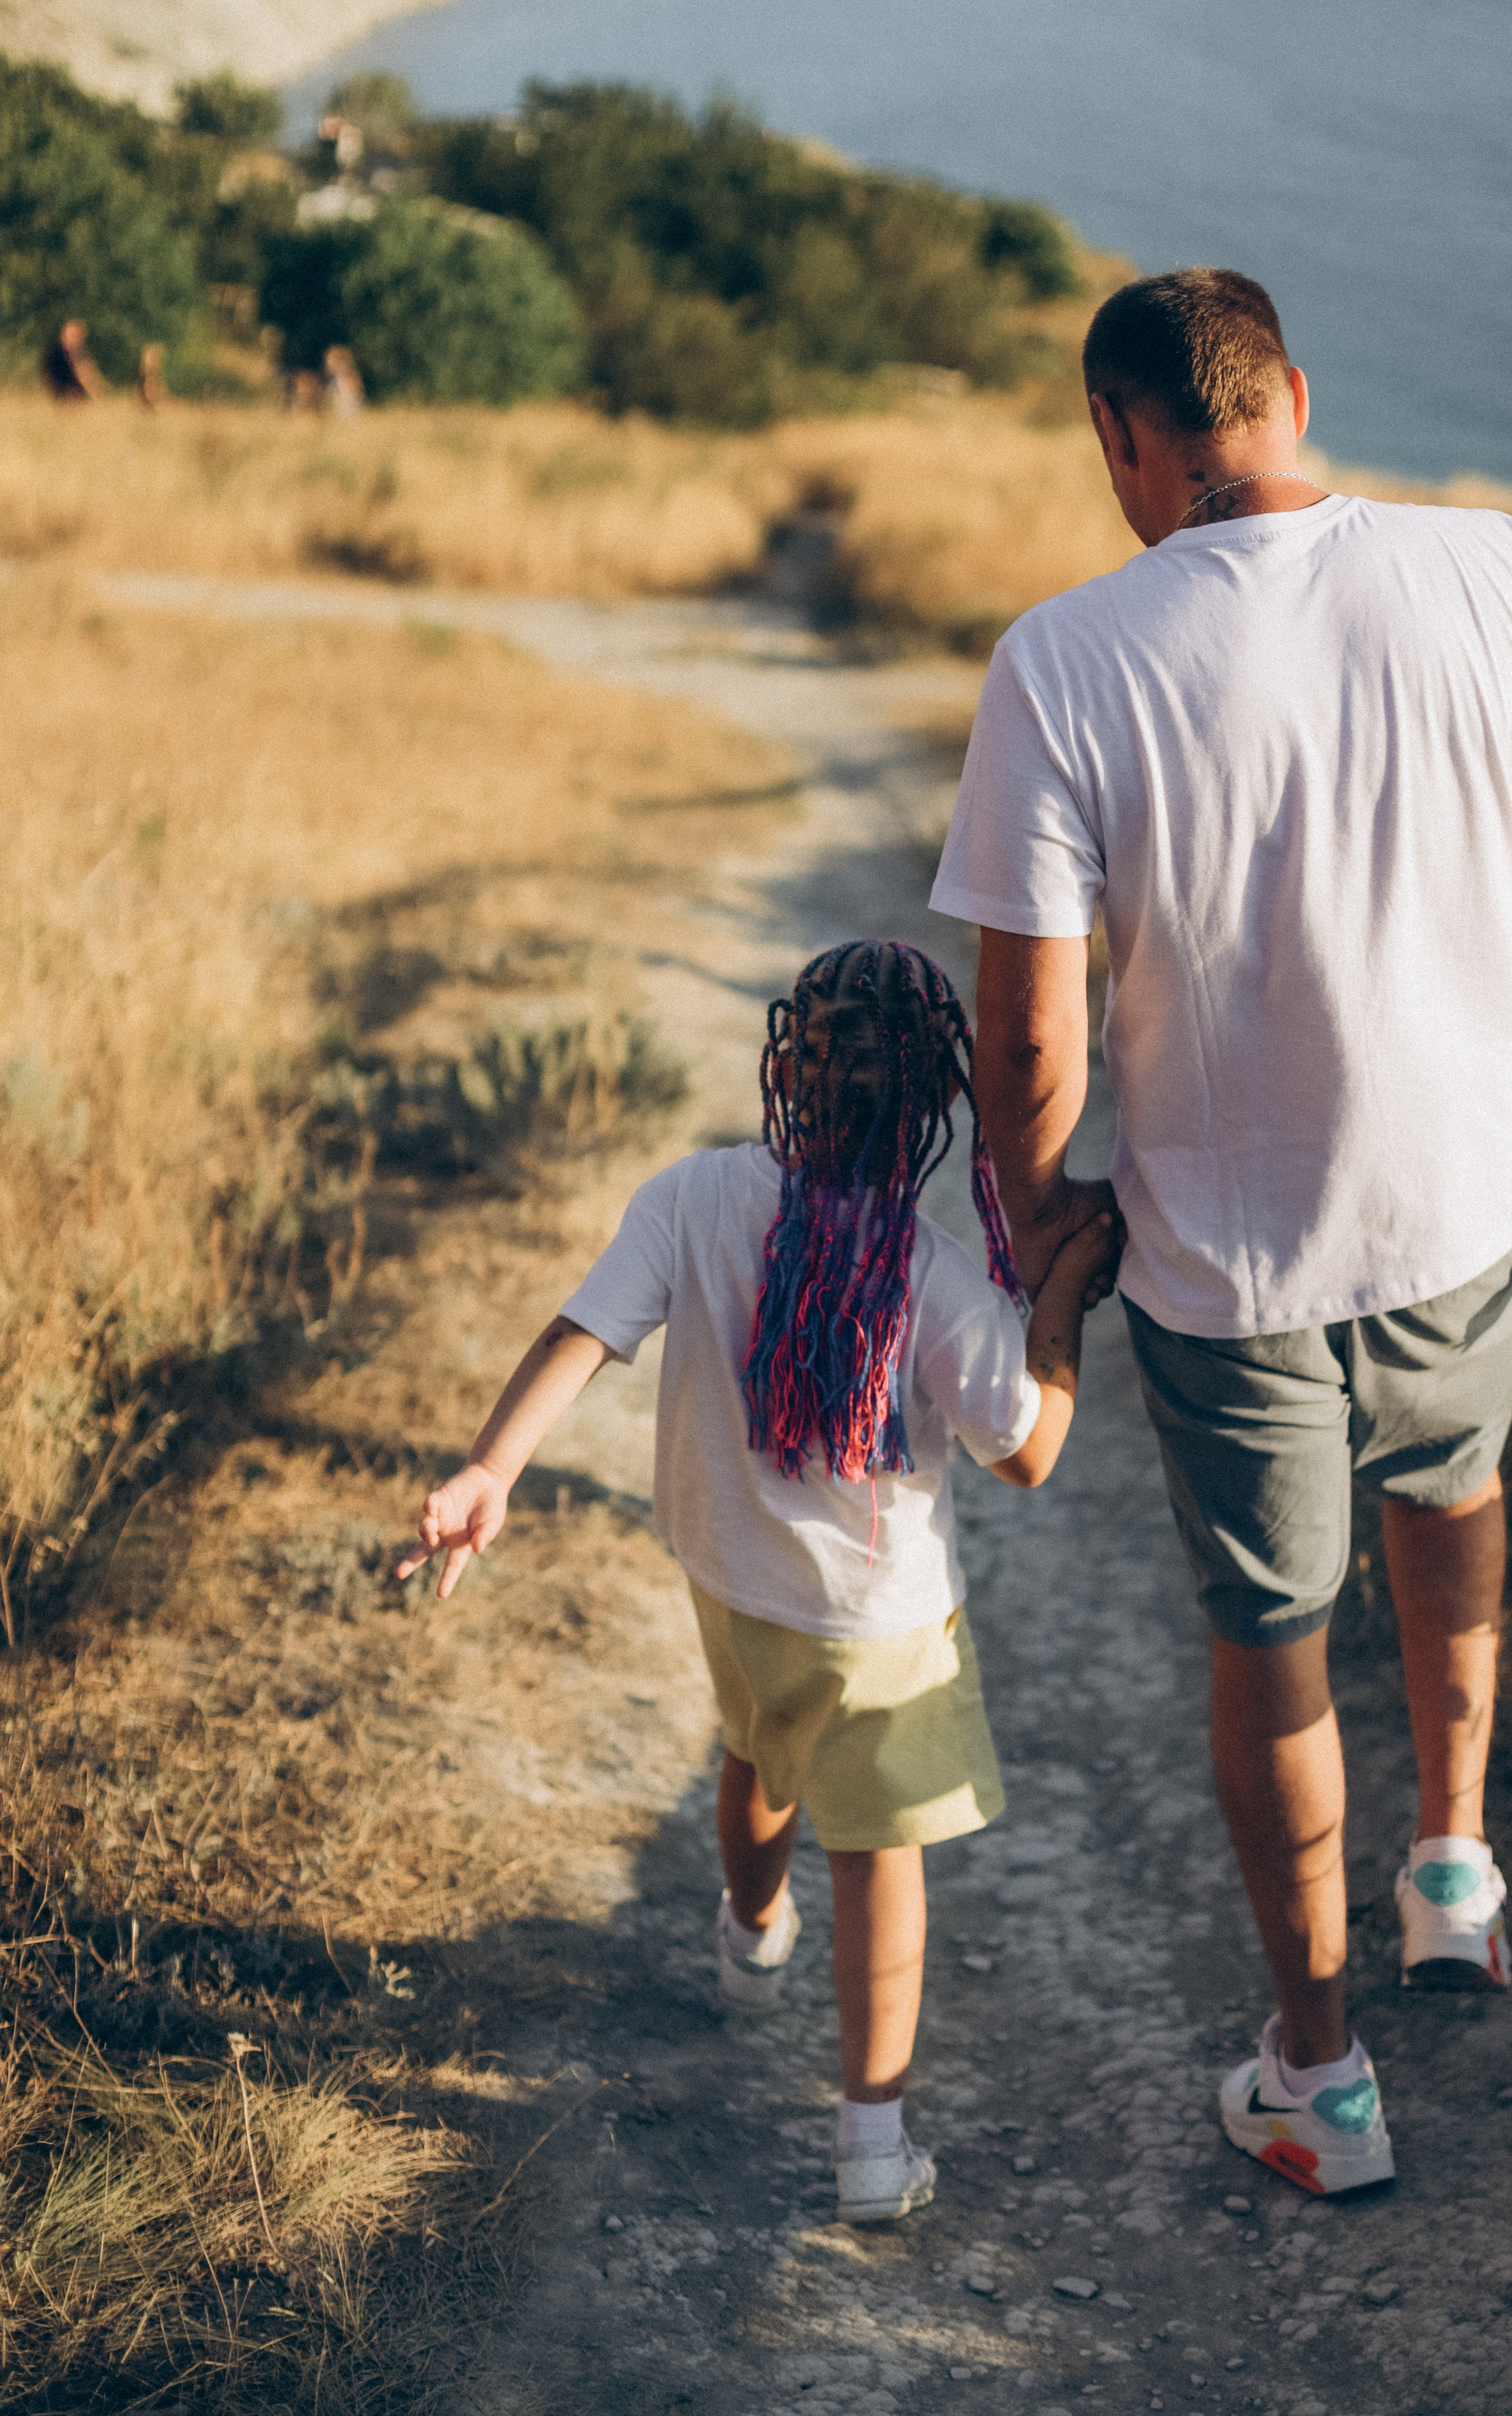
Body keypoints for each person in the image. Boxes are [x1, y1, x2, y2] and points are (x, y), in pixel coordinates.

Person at [930, 267, 1512, 2197]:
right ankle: (1452, 1868)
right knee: (1453, 1498)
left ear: (1119, 437)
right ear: (1290, 395)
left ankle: (1319, 2075)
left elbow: (1029, 1031)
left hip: (1231, 1271)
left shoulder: (1063, 660)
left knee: (1274, 1637)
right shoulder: (1502, 567)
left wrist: (1035, 1216)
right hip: (1467, 1212)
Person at [396, 940, 1118, 2223]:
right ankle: (872, 2150)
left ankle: (747, 1935)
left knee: (754, 1752)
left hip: (729, 1582)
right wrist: (1063, 1292)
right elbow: (1030, 1449)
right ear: (935, 1107)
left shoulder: (692, 1199)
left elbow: (582, 1334)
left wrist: (491, 1469)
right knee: (879, 1861)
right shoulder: (933, 1274)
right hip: (880, 1627)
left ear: (785, 1066)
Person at [40, 320, 103, 402]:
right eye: (73, 336)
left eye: (78, 336)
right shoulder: (55, 356)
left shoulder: (81, 356)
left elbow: (93, 382)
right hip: (63, 397)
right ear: (63, 337)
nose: (77, 340)